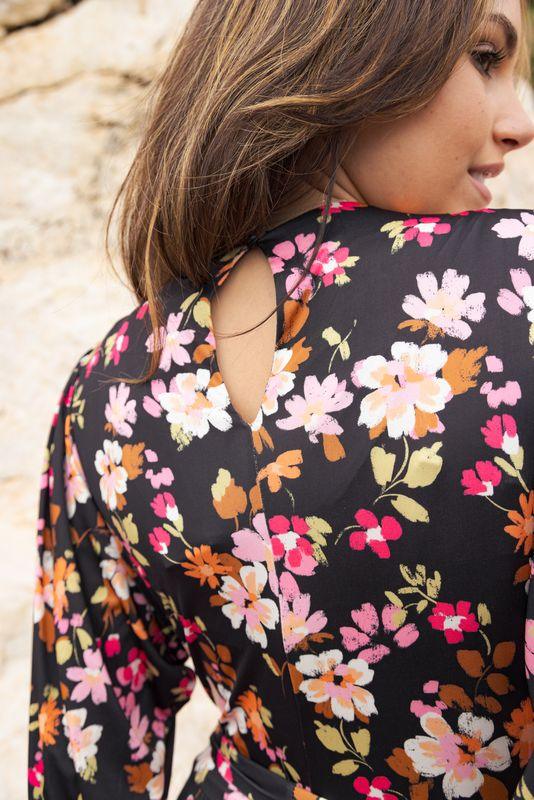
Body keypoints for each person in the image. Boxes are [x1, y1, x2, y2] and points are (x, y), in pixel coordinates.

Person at [27, 1, 534, 798]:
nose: (519, 123)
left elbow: (83, 763)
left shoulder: (109, 387)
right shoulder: (520, 293)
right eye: (484, 57)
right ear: (356, 46)